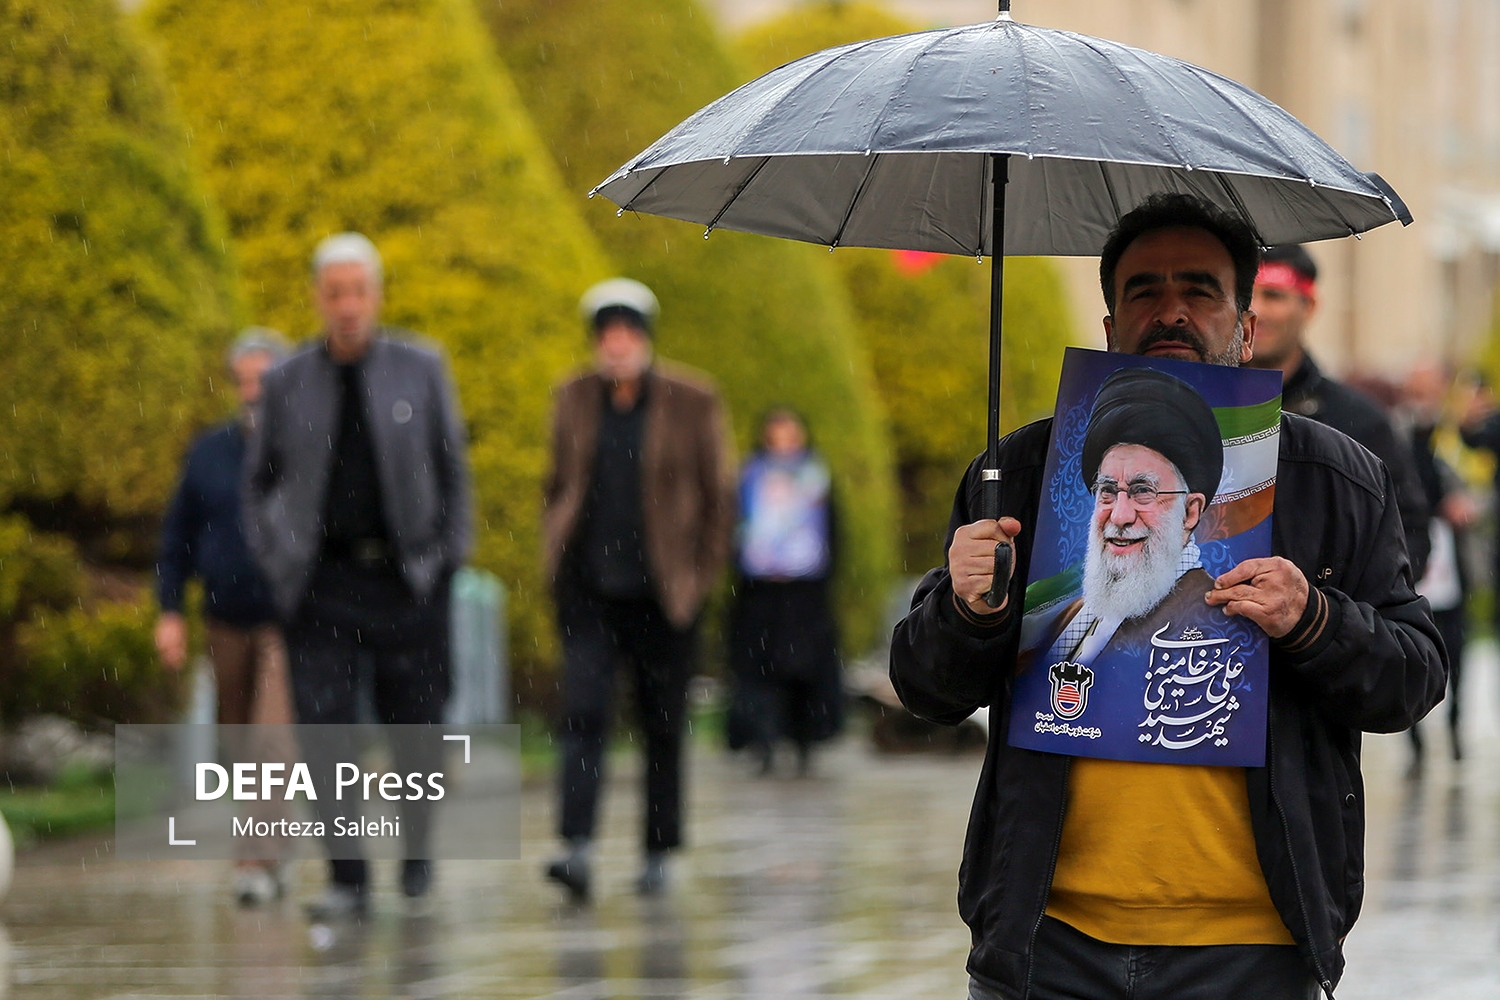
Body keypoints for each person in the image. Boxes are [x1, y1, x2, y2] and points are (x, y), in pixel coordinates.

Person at [890, 194, 1446, 1000]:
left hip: (1253, 952)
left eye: (1200, 290)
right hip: (1047, 946)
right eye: (1144, 290)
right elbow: (927, 689)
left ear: (1245, 327)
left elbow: (1413, 678)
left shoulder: (1336, 479)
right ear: (1110, 324)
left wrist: (1314, 622)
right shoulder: (1019, 475)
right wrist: (967, 611)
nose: (1172, 311)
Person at [244, 233, 472, 919]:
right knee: (325, 733)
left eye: (358, 291)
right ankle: (348, 879)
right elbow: (258, 485)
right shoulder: (287, 381)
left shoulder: (420, 367)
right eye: (335, 293)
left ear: (377, 295)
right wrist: (279, 559)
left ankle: (417, 855)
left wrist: (444, 560)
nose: (347, 306)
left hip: (407, 580)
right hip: (321, 586)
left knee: (417, 729)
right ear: (318, 298)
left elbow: (453, 470)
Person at [542, 277, 735, 902]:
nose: (617, 344)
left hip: (663, 595)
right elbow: (557, 484)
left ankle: (658, 850)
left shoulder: (693, 398)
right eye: (607, 333)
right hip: (590, 591)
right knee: (583, 714)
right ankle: (575, 846)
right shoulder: (573, 396)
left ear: (645, 338)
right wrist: (555, 555)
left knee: (662, 723)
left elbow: (719, 497)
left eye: (627, 332)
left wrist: (699, 579)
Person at [155, 326, 295, 907]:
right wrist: (169, 610)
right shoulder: (210, 451)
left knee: (271, 739)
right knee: (237, 743)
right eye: (244, 381)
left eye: (263, 380)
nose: (252, 391)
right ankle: (273, 847)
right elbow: (177, 535)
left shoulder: (305, 449)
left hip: (287, 621)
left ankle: (255, 860)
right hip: (224, 617)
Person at [1022, 368, 1228, 669]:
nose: (1119, 516)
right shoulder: (1076, 615)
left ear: (1190, 512)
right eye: (1107, 491)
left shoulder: (1214, 622)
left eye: (1143, 491)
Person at [1247, 243, 1431, 578]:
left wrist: (1325, 603)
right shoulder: (1202, 408)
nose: (1256, 310)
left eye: (1274, 295)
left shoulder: (1360, 421)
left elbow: (1409, 541)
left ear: (1309, 305)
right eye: (1246, 295)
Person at [725, 409, 843, 777]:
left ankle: (804, 741)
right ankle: (763, 741)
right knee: (759, 674)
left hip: (805, 596)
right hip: (760, 594)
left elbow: (832, 534)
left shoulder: (816, 476)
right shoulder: (749, 475)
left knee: (805, 674)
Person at [1403, 363, 1476, 768]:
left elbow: (1478, 483)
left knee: (1457, 647)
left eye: (1431, 389)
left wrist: (1468, 505)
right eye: (1418, 389)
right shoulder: (1395, 435)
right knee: (1411, 646)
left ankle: (1455, 728)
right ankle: (1414, 738)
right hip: (1411, 555)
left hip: (1453, 558)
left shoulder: (1455, 438)